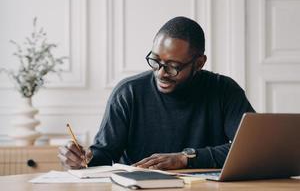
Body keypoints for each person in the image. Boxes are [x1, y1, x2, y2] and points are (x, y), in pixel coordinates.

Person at [58, 16, 255, 170]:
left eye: (173, 66)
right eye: (155, 61)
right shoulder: (128, 93)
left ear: (199, 63)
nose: (161, 73)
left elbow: (250, 148)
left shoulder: (224, 91)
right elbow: (102, 156)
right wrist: (80, 159)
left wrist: (184, 158)